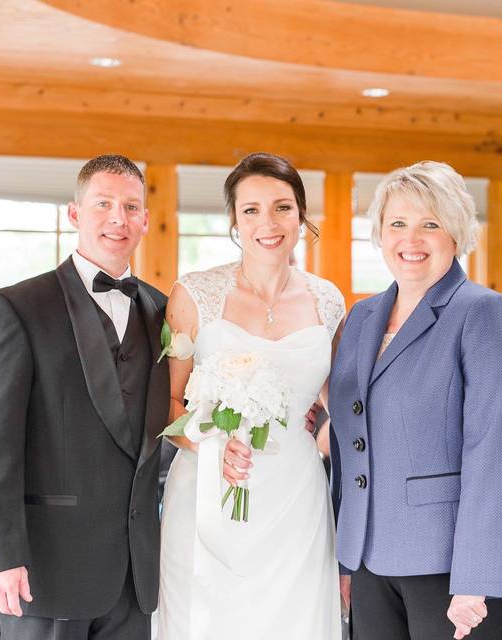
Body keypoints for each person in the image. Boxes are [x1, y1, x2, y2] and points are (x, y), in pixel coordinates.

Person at [0, 155, 169, 640]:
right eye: (103, 203)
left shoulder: (162, 311)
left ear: (144, 220)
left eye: (130, 206)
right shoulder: (17, 308)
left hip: (133, 574)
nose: (118, 218)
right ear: (75, 214)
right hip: (43, 571)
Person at [328, 161, 502, 639]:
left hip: (459, 563)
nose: (412, 239)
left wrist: (475, 577)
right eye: (397, 224)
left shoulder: (487, 315)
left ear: (457, 233)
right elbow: (350, 439)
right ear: (380, 234)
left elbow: (496, 454)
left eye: (430, 224)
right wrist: (346, 557)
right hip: (370, 555)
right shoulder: (361, 318)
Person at [157, 152, 346, 639]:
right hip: (209, 493)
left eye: (283, 207)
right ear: (234, 222)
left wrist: (324, 425)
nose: (269, 223)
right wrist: (212, 446)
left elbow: (340, 401)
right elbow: (167, 403)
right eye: (252, 210)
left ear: (302, 216)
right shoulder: (194, 294)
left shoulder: (329, 301)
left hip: (296, 499)